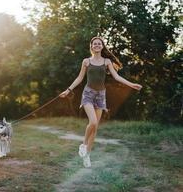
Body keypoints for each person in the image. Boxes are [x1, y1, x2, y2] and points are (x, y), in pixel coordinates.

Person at [59, 36, 142, 167]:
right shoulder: (86, 61)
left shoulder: (107, 61)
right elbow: (79, 78)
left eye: (99, 44)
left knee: (95, 128)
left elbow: (117, 76)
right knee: (92, 122)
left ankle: (87, 155)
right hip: (88, 94)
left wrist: (131, 85)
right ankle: (84, 145)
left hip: (100, 95)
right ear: (91, 46)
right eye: (94, 44)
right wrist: (68, 90)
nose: (97, 45)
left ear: (102, 46)